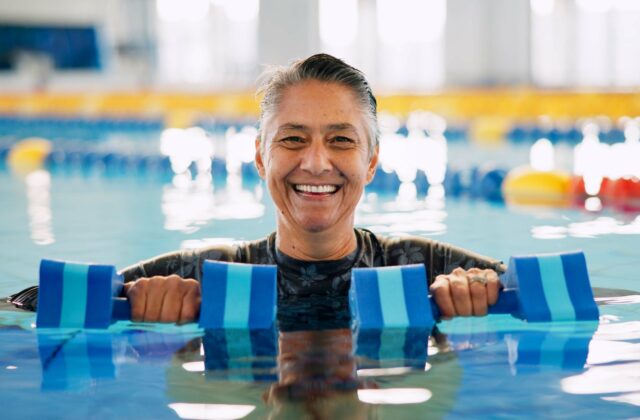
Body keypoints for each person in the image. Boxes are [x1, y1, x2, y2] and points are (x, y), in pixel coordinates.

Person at [10, 54, 504, 323]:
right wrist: (140, 312)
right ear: (261, 156)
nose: (316, 162)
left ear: (370, 162)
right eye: (292, 139)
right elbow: (20, 307)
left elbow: (579, 304)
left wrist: (483, 292)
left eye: (340, 140)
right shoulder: (201, 273)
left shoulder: (426, 268)